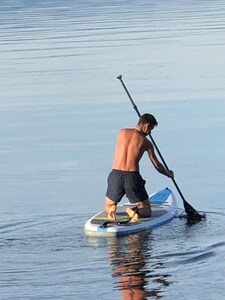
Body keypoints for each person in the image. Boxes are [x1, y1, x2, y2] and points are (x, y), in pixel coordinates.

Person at [104, 113, 174, 222]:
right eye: (150, 129)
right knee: (146, 212)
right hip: (132, 177)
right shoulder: (146, 143)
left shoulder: (122, 132)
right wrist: (168, 173)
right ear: (146, 126)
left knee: (108, 204)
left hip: (116, 174)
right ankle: (133, 211)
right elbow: (157, 165)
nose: (150, 132)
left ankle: (113, 208)